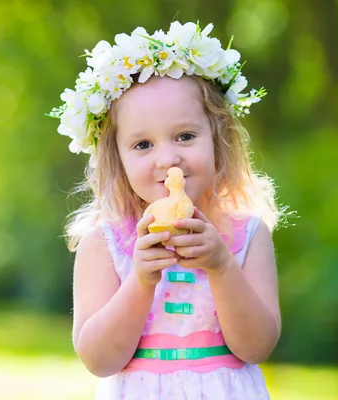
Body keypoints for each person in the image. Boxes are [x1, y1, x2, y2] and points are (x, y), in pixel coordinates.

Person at [48, 21, 286, 400]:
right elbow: (98, 359)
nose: (167, 158)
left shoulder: (246, 234)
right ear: (117, 158)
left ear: (218, 139)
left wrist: (221, 266)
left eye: (185, 136)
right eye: (143, 144)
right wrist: (141, 280)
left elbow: (257, 347)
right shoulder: (105, 243)